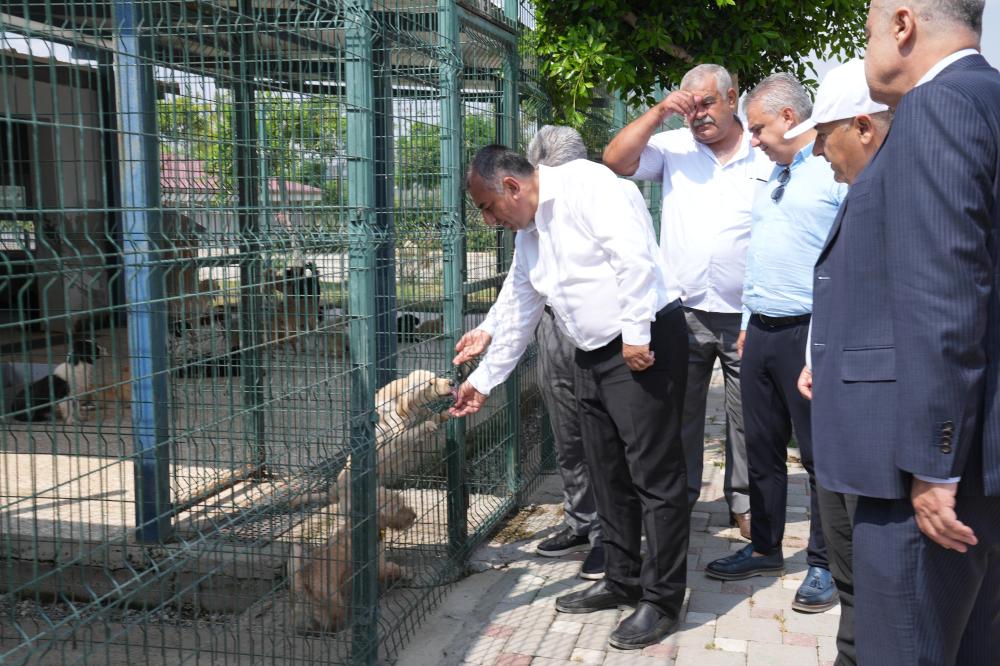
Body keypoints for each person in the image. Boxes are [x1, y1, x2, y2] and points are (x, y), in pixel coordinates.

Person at [809, 2, 1000, 663]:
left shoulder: (935, 106)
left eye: (865, 34)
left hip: (925, 477)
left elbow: (945, 293)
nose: (867, 51)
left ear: (901, 25)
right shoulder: (990, 97)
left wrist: (933, 463)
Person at [451, 145, 689, 650]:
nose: (492, 220)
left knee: (654, 476)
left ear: (511, 187)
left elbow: (633, 258)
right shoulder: (530, 230)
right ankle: (621, 579)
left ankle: (662, 600)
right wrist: (485, 379)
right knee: (605, 470)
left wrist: (636, 335)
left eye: (489, 207)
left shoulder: (589, 186)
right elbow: (520, 299)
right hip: (592, 350)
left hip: (639, 344)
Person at [604, 64, 772, 536]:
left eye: (706, 104)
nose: (697, 116)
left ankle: (746, 505)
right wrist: (658, 113)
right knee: (679, 415)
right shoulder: (674, 148)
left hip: (746, 313)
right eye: (689, 106)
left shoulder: (761, 150)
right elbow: (615, 161)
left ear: (732, 97)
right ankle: (680, 502)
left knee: (747, 417)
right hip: (686, 310)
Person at [704, 74, 845, 615]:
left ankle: (824, 562)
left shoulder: (834, 174)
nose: (753, 139)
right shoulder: (774, 176)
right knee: (759, 446)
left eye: (759, 128)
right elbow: (763, 252)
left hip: (809, 332)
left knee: (816, 454)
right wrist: (745, 320)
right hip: (759, 331)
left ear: (790, 118)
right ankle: (763, 546)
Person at [454, 126, 605, 580]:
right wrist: (487, 331)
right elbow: (519, 291)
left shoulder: (590, 199)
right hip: (555, 329)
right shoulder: (528, 228)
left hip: (605, 338)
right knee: (568, 433)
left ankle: (611, 537)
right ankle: (582, 521)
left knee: (605, 440)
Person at [791, 58, 892, 666]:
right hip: (838, 409)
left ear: (863, 128)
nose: (820, 153)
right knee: (849, 567)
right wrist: (813, 356)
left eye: (824, 137)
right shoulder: (859, 192)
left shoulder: (895, 195)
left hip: (873, 429)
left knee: (872, 580)